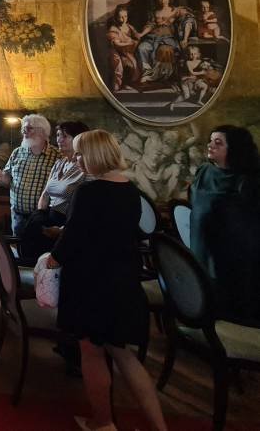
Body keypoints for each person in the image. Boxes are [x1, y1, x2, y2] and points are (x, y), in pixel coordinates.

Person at [47, 130, 167, 431]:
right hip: (123, 280)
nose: (77, 159)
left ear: (95, 154)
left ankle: (102, 422)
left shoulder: (89, 192)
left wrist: (51, 260)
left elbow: (72, 239)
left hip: (90, 282)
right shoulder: (131, 190)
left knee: (91, 352)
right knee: (124, 355)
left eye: (80, 153)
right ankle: (159, 426)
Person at [190, 125, 260, 325]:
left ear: (234, 149)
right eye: (210, 140)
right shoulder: (203, 171)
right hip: (201, 244)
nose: (210, 145)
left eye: (218, 143)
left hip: (233, 254)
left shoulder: (248, 181)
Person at [20, 121, 89, 263]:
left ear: (78, 139)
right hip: (47, 218)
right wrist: (40, 216)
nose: (59, 140)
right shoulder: (59, 163)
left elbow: (84, 207)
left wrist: (61, 229)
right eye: (58, 135)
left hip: (65, 224)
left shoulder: (85, 167)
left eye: (65, 136)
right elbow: (45, 194)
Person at [0, 113, 60, 237]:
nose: (24, 132)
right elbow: (8, 180)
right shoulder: (17, 152)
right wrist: (0, 176)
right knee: (18, 246)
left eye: (29, 128)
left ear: (43, 132)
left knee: (38, 247)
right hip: (18, 216)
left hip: (42, 218)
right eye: (23, 128)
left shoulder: (57, 156)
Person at [107, 5, 141, 92]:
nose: (123, 19)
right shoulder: (113, 29)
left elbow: (137, 36)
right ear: (116, 17)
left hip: (127, 51)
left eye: (125, 16)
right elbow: (116, 44)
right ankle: (118, 86)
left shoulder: (129, 27)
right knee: (121, 66)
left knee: (134, 64)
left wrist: (136, 39)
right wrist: (129, 42)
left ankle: (127, 84)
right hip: (117, 51)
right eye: (121, 17)